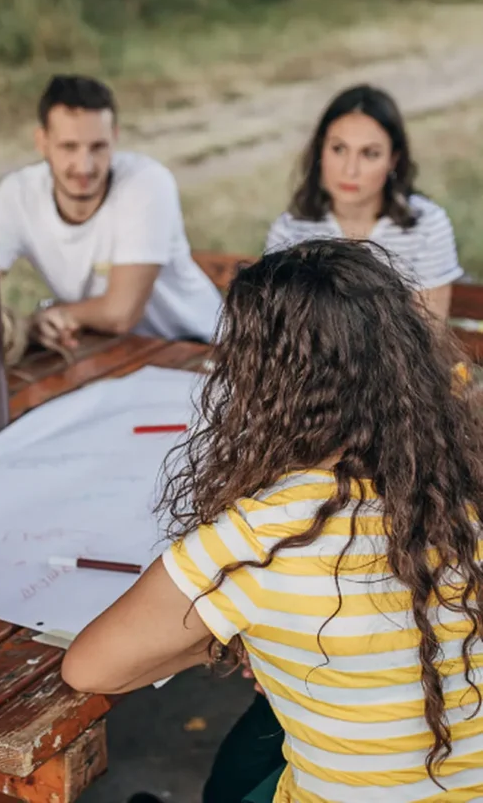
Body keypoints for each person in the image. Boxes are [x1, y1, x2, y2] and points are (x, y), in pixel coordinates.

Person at [62, 240, 483, 802]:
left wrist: (227, 641)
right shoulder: (465, 489)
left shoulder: (256, 541)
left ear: (261, 386)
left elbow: (89, 670)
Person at [0, 75, 221, 351]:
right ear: (42, 142)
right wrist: (30, 324)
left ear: (115, 138)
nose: (84, 166)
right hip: (111, 352)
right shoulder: (16, 194)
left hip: (201, 348)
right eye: (69, 147)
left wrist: (51, 315)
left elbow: (120, 314)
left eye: (98, 147)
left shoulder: (147, 182)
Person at [266, 84, 461, 324]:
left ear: (393, 160)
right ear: (320, 150)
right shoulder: (291, 229)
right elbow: (279, 327)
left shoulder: (426, 226)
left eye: (369, 154)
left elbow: (430, 335)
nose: (350, 169)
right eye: (338, 149)